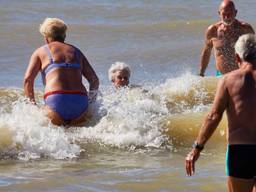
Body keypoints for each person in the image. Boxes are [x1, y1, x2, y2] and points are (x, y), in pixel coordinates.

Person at [186, 34, 256, 192]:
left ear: (237, 57)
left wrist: (196, 149)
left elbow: (213, 116)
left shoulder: (229, 80)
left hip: (241, 151)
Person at [24, 18, 99, 126]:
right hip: (79, 100)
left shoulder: (40, 51)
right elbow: (94, 80)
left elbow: (28, 80)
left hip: (56, 99)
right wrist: (91, 105)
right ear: (64, 36)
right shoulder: (77, 52)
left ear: (46, 38)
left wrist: (32, 107)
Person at [198, 0, 254, 77]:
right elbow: (207, 52)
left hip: (242, 75)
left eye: (230, 14)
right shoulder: (212, 30)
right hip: (221, 76)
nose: (226, 17)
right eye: (224, 14)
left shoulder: (245, 29)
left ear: (236, 12)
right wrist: (201, 73)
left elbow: (254, 51)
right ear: (219, 13)